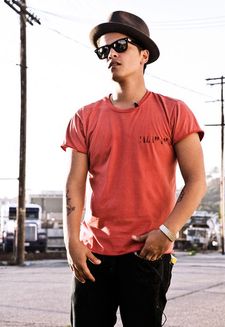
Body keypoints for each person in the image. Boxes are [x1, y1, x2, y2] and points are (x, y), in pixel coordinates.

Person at [61, 10, 207, 327]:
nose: (111, 54)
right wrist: (71, 242)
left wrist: (166, 232)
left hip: (147, 253)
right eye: (104, 50)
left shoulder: (175, 112)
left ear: (143, 55)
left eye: (120, 45)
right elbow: (74, 185)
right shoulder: (84, 117)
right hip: (93, 253)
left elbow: (196, 181)